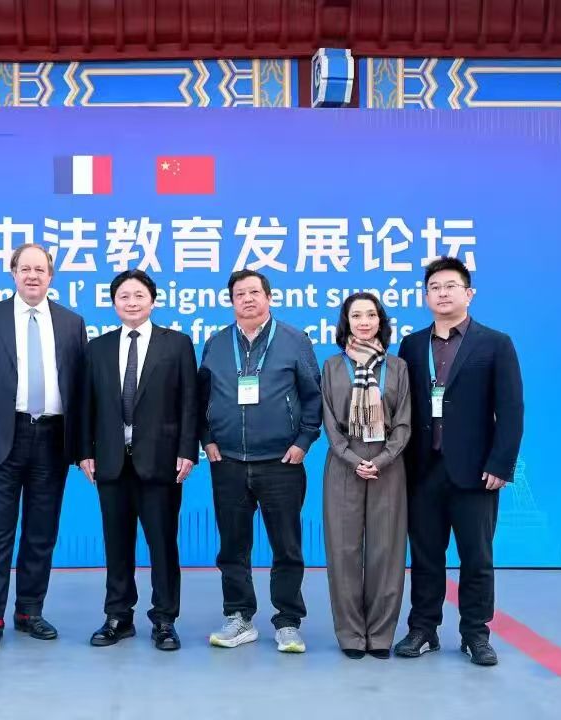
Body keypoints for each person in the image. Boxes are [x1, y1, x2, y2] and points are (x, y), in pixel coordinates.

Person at [0, 244, 88, 651]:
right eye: (25, 269)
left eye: (40, 270)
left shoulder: (72, 323)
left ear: (51, 276)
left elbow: (82, 389)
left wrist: (83, 444)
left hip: (52, 438)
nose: (32, 276)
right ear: (13, 273)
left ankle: (30, 611)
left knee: (41, 532)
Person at [393, 256, 524, 667]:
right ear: (426, 296)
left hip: (476, 472)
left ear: (469, 294)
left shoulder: (495, 343)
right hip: (422, 470)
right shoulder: (412, 345)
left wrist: (501, 464)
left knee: (477, 558)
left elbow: (511, 408)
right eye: (434, 287)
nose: (442, 293)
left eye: (450, 286)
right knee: (425, 557)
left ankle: (475, 634)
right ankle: (423, 629)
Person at [198, 269, 323, 653]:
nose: (248, 299)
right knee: (233, 547)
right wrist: (207, 439)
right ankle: (239, 616)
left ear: (269, 297)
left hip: (281, 462)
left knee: (287, 546)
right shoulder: (217, 343)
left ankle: (288, 621)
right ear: (231, 301)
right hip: (228, 462)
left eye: (255, 292)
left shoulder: (294, 340)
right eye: (240, 294)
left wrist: (303, 441)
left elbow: (313, 396)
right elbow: (200, 399)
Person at [79, 270, 199, 651]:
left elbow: (189, 402)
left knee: (162, 544)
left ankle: (164, 619)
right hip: (111, 462)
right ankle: (118, 615)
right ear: (114, 303)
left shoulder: (176, 344)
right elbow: (86, 404)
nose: (131, 302)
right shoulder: (98, 348)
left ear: (152, 300)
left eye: (138, 295)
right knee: (116, 543)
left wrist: (187, 450)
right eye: (124, 296)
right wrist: (85, 452)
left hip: (161, 462)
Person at [321, 292, 411, 660]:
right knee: (343, 552)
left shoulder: (397, 367)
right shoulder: (332, 366)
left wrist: (384, 458)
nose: (363, 322)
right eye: (356, 315)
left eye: (370, 315)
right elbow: (329, 421)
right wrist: (351, 457)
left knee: (385, 552)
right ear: (346, 322)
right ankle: (351, 635)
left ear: (380, 321)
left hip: (388, 466)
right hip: (344, 464)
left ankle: (381, 634)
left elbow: (403, 422)